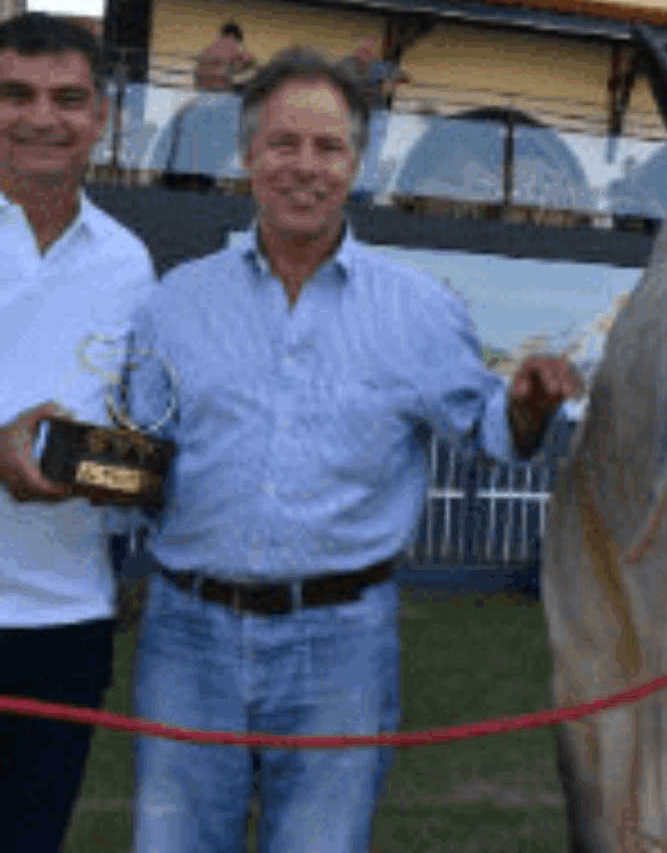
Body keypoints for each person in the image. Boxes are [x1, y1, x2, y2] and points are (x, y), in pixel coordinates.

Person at [127, 46, 581, 852]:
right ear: (248, 154)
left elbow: (491, 438)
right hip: (187, 635)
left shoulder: (419, 309)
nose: (305, 168)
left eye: (328, 148)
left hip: (341, 642)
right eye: (284, 144)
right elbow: (137, 455)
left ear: (358, 162)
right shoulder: (174, 303)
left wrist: (530, 409)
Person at [0, 12, 156, 852]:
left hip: (69, 625)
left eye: (67, 97)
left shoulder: (129, 262)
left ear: (102, 116)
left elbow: (135, 465)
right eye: (14, 94)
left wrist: (88, 466)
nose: (41, 117)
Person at [193, 21, 257, 91]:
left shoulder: (211, 47)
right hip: (219, 86)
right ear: (237, 35)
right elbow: (243, 64)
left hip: (201, 86)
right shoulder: (233, 45)